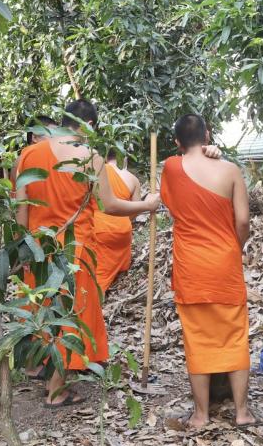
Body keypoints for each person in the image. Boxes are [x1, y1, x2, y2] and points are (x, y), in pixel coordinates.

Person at [14, 99, 158, 407]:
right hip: (73, 251)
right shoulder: (87, 157)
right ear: (90, 126)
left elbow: (20, 208)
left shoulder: (28, 154)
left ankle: (41, 370)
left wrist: (22, 247)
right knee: (69, 316)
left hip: (36, 247)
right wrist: (147, 205)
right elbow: (110, 205)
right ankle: (56, 390)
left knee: (43, 311)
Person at [158, 114, 258, 429]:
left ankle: (201, 414)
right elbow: (243, 221)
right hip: (225, 262)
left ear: (176, 142)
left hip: (191, 266)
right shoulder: (230, 170)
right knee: (235, 335)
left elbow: (171, 203)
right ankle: (242, 413)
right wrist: (234, 247)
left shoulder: (171, 169)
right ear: (208, 135)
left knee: (197, 338)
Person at [93, 153, 141, 291]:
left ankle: (93, 301)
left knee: (99, 273)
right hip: (122, 230)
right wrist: (124, 220)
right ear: (124, 159)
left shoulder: (98, 172)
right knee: (117, 273)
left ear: (106, 158)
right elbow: (136, 209)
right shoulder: (133, 179)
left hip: (99, 227)